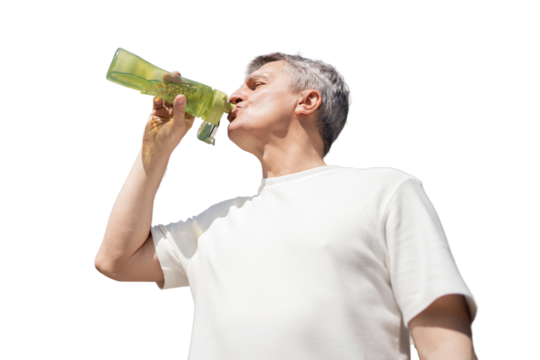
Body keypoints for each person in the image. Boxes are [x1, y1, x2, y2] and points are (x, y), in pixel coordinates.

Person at [94, 49, 478, 359]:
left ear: (308, 101)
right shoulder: (217, 220)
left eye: (256, 85)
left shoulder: (384, 190)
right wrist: (156, 149)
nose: (234, 95)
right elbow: (115, 260)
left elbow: (443, 338)